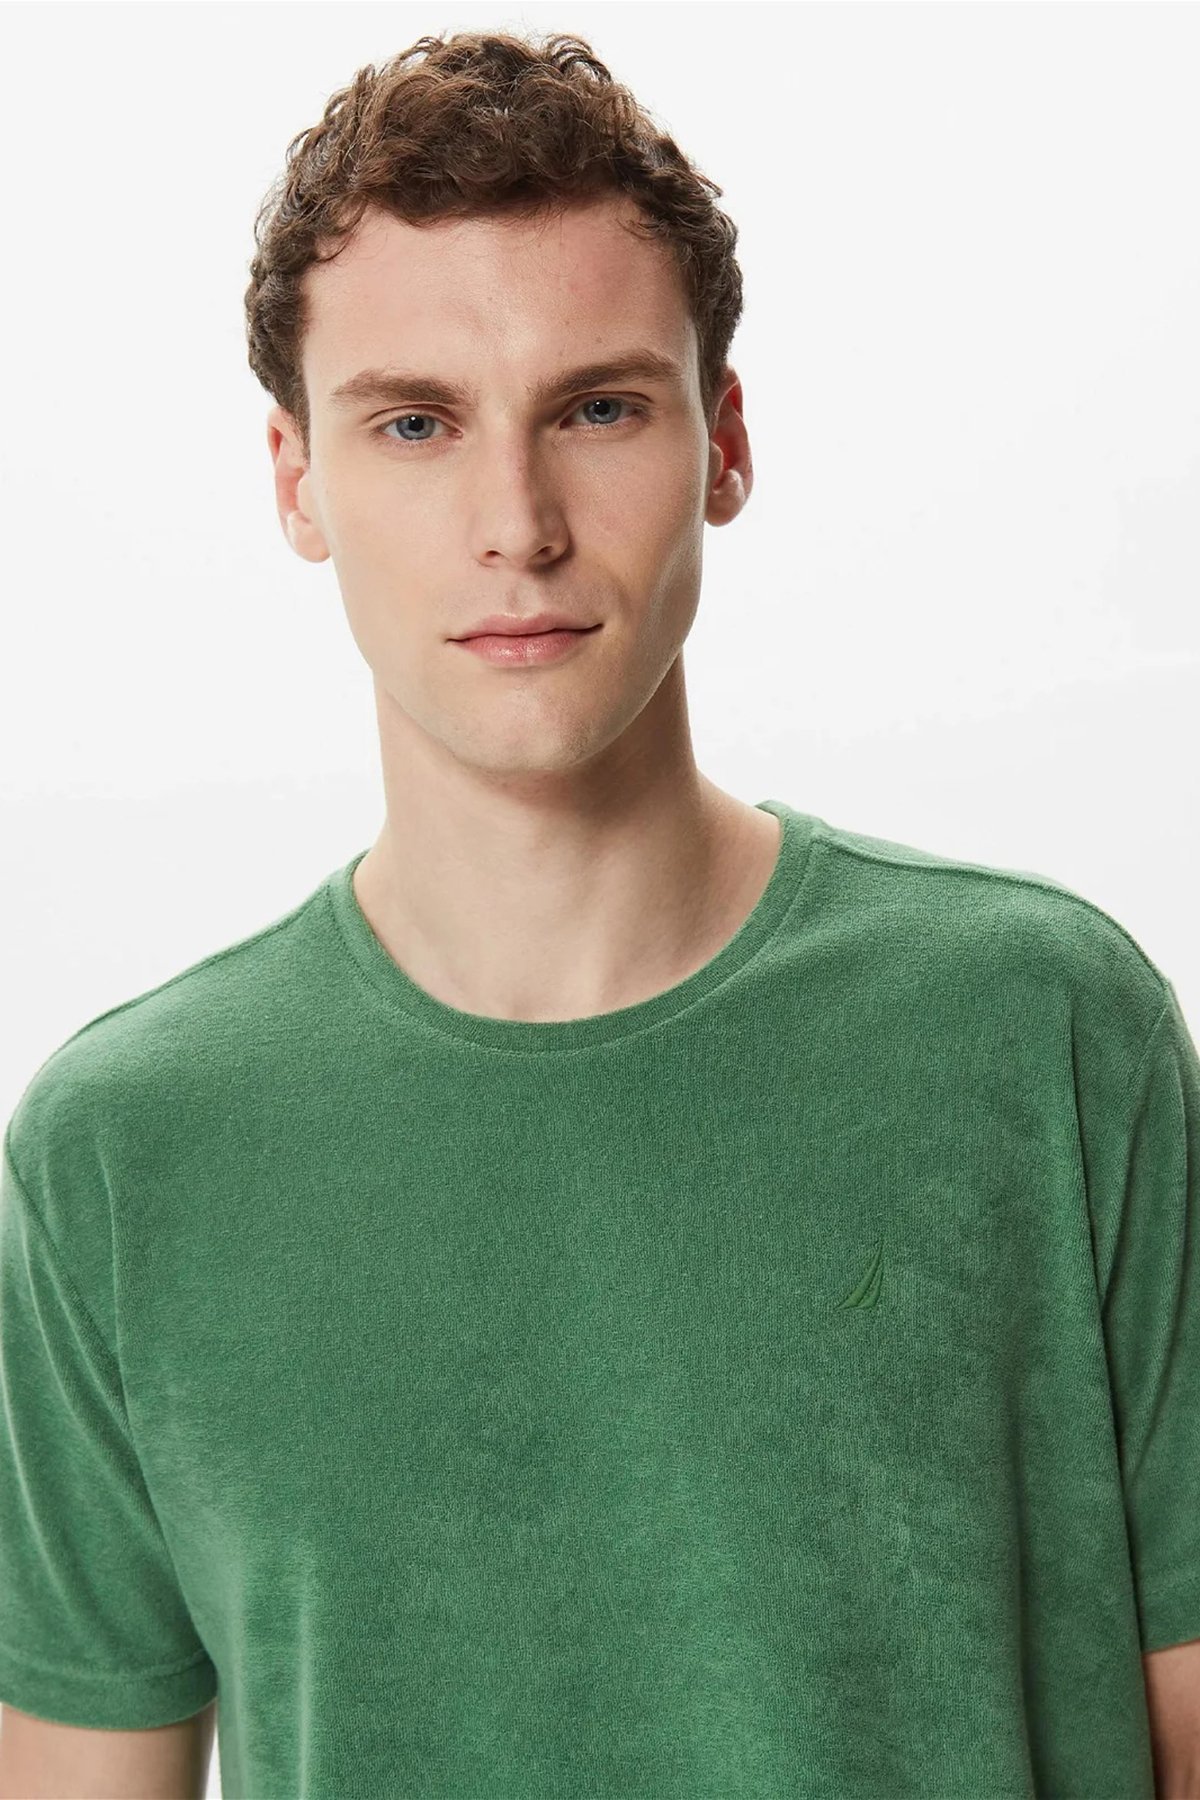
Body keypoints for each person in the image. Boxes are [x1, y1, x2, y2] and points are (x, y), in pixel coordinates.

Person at [1, 27, 1197, 1800]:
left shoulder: (1046, 1029)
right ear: (297, 480)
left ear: (724, 441)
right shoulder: (123, 1152)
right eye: (416, 424)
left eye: (598, 408)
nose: (518, 523)